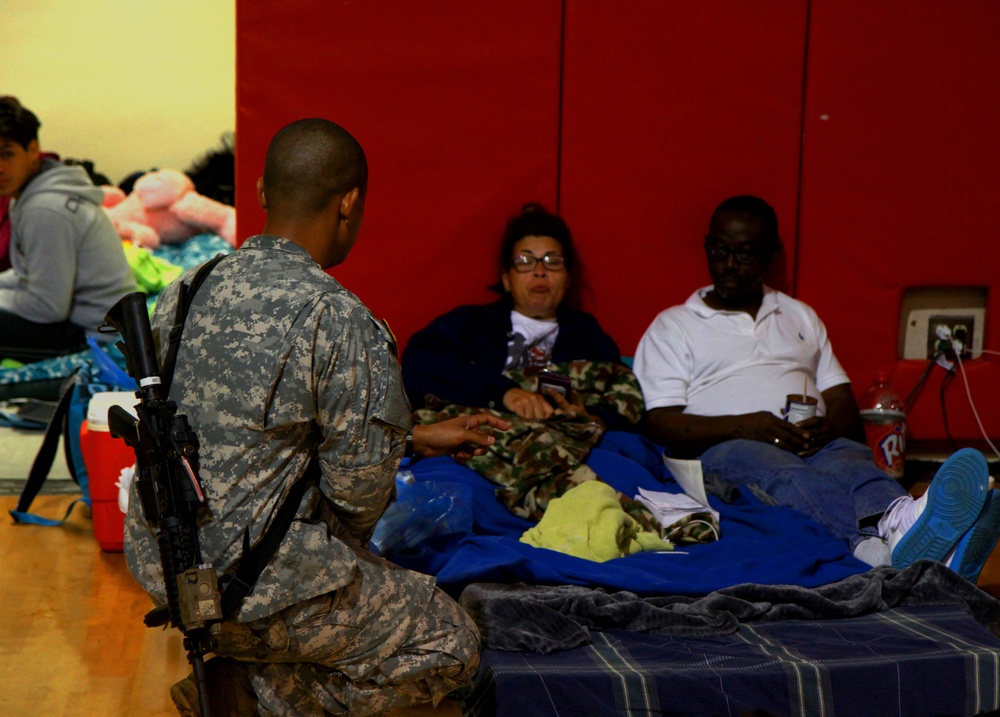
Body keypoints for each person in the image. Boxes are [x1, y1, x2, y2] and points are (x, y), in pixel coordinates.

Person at [124, 118, 509, 716]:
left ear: (259, 192)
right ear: (349, 202)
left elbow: (237, 429)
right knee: (451, 643)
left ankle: (243, 665)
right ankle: (250, 690)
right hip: (256, 590)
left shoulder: (186, 288)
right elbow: (358, 501)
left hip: (167, 572)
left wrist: (408, 438)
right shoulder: (339, 318)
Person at [634, 195, 1000, 580]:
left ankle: (903, 523)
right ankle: (877, 551)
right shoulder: (674, 325)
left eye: (743, 254)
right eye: (719, 250)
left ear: (770, 255)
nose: (728, 264)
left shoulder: (798, 315)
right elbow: (661, 422)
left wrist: (827, 430)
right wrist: (749, 426)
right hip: (725, 448)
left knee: (849, 460)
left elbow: (839, 398)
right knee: (787, 473)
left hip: (810, 441)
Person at [402, 202, 631, 430]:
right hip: (483, 441)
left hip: (564, 443)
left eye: (553, 262)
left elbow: (626, 397)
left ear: (568, 278)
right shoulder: (470, 324)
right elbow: (418, 364)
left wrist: (593, 418)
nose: (540, 271)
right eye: (525, 261)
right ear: (506, 278)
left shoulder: (588, 334)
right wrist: (502, 392)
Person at [0, 97, 135, 362]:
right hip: (92, 324)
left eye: (6, 154)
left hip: (92, 339)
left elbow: (47, 307)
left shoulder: (45, 209)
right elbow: (29, 275)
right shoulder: (30, 195)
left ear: (33, 150)